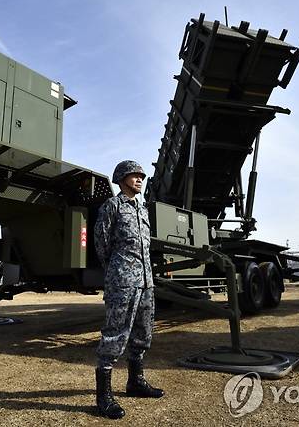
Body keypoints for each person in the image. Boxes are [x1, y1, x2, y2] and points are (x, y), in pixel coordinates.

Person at [93, 160, 164, 419]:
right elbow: (101, 242)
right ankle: (104, 397)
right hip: (122, 281)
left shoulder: (143, 209)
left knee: (142, 334)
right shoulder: (112, 206)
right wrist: (119, 269)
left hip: (146, 282)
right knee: (114, 335)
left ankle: (135, 382)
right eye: (134, 175)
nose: (139, 179)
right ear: (122, 178)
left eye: (141, 176)